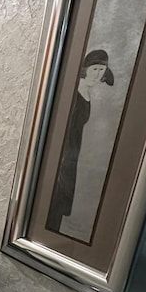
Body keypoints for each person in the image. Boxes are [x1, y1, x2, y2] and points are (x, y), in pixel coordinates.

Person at [47, 49, 114, 234]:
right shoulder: (72, 92)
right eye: (95, 69)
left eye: (102, 70)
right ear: (85, 69)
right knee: (54, 196)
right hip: (61, 153)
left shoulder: (87, 93)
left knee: (62, 199)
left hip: (72, 153)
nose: (98, 74)